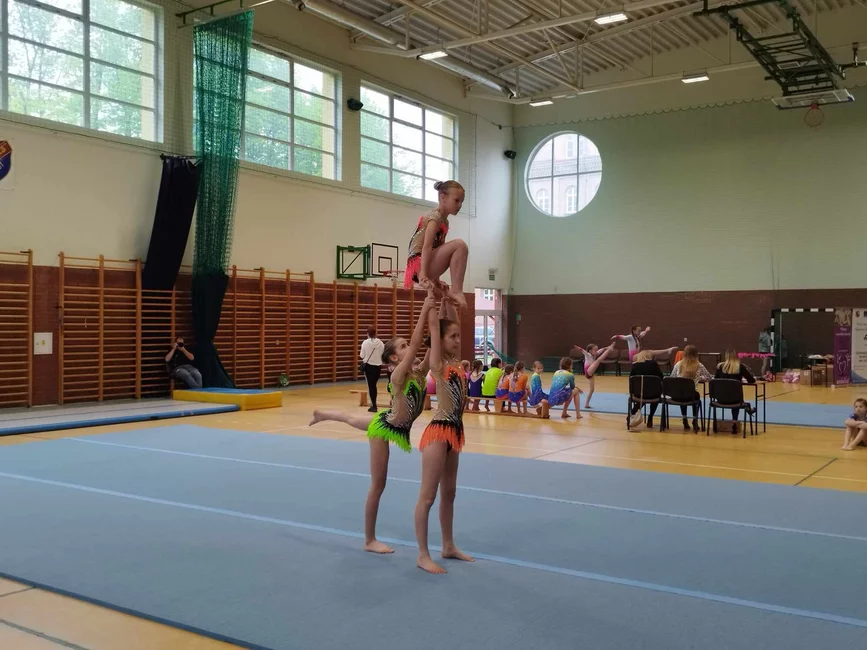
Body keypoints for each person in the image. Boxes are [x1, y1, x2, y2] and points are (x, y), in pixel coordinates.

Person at [310, 292, 438, 553]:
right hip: (385, 428)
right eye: (403, 347)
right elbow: (417, 344)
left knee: (351, 418)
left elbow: (432, 344)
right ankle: (369, 540)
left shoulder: (418, 372)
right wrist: (425, 308)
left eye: (406, 345)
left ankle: (322, 414)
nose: (409, 348)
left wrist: (440, 305)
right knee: (378, 484)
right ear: (394, 359)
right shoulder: (398, 376)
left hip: (388, 419)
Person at [414, 298, 473, 574]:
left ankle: (448, 546)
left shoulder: (457, 362)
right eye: (453, 337)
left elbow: (451, 320)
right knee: (428, 496)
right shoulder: (437, 363)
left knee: (449, 493)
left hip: (455, 432)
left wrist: (448, 299)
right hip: (439, 431)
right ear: (441, 340)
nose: (458, 340)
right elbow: (436, 327)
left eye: (459, 336)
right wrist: (431, 302)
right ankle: (422, 554)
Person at [404, 180, 468, 309]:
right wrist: (423, 276)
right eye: (456, 200)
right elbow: (427, 247)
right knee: (460, 246)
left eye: (462, 201)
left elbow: (438, 248)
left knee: (458, 248)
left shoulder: (444, 222)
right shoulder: (434, 217)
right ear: (442, 197)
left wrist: (436, 280)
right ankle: (456, 290)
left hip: (423, 264)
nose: (460, 205)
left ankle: (453, 290)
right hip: (418, 265)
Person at [670, 344, 712, 431]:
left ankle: (684, 419)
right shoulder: (699, 365)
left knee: (682, 393)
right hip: (691, 396)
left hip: (677, 395)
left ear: (684, 354)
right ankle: (695, 420)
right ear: (696, 354)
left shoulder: (678, 364)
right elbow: (709, 377)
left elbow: (672, 378)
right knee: (696, 395)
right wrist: (700, 377)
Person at [714, 348, 756, 435]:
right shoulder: (740, 366)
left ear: (726, 356)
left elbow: (715, 380)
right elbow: (751, 380)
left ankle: (715, 424)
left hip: (721, 399)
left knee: (732, 394)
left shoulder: (720, 367)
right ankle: (734, 422)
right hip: (736, 400)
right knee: (735, 396)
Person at [628, 350, 664, 429]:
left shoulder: (635, 366)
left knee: (643, 396)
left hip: (639, 393)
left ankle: (632, 413)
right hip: (653, 394)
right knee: (654, 396)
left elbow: (631, 380)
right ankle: (650, 417)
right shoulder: (654, 364)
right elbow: (661, 377)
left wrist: (632, 392)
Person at [572, 343, 615, 409]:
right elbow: (583, 351)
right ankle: (609, 350)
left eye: (596, 350)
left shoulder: (595, 354)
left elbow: (601, 350)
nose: (596, 351)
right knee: (598, 360)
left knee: (592, 390)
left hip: (590, 374)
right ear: (590, 351)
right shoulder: (588, 355)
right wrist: (578, 348)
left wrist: (606, 347)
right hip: (588, 371)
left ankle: (586, 404)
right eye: (595, 350)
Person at [360, 326, 385, 413]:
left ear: (367, 333)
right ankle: (373, 405)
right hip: (378, 367)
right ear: (375, 333)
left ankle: (374, 405)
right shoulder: (381, 343)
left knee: (371, 386)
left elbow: (362, 355)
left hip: (369, 367)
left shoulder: (365, 343)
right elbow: (383, 354)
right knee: (374, 385)